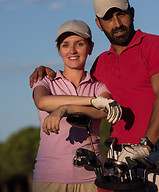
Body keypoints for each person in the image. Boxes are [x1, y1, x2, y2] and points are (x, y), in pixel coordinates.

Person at [30, 0, 159, 191]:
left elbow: (104, 107)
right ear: (99, 24)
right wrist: (44, 71)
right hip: (116, 161)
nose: (117, 23)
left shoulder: (154, 45)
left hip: (153, 155)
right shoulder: (100, 64)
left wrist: (146, 146)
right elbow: (71, 91)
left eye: (121, 14)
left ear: (132, 13)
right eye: (108, 18)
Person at [31, 19, 122, 192]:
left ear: (90, 47)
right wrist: (91, 101)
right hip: (49, 178)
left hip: (92, 180)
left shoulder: (98, 86)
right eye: (65, 45)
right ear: (58, 49)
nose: (72, 51)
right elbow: (42, 102)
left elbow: (104, 111)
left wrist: (65, 109)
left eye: (79, 44)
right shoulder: (46, 81)